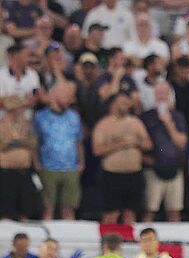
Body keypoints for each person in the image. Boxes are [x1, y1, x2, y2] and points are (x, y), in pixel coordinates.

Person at [92, 91, 152, 224]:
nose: (126, 105)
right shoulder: (104, 124)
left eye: (127, 103)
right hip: (112, 175)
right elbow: (97, 150)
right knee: (111, 214)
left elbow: (148, 144)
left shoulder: (135, 123)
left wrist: (135, 142)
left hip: (134, 174)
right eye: (122, 103)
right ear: (113, 104)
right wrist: (119, 144)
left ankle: (128, 236)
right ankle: (109, 236)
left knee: (130, 213)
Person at [34, 83, 83, 221]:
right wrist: (36, 161)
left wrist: (81, 162)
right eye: (65, 96)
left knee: (69, 207)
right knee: (47, 207)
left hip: (71, 167)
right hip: (48, 166)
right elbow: (35, 141)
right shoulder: (40, 117)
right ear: (53, 96)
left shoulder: (74, 116)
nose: (68, 99)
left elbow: (78, 141)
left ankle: (69, 232)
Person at [141, 81, 188, 223]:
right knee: (150, 210)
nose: (161, 97)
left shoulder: (178, 116)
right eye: (158, 93)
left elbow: (182, 143)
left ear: (170, 96)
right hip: (153, 170)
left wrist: (168, 123)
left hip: (174, 169)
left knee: (174, 211)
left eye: (164, 93)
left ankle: (175, 237)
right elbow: (140, 142)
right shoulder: (146, 116)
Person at [0, 95, 37, 221]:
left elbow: (33, 143)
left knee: (25, 203)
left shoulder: (26, 125)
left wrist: (15, 142)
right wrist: (20, 142)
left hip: (24, 169)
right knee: (6, 203)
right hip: (6, 170)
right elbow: (3, 145)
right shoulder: (1, 124)